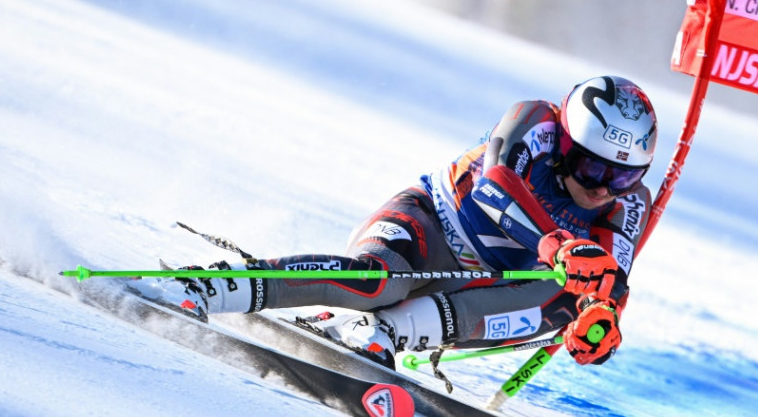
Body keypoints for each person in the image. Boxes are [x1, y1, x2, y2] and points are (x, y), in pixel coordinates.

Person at [138, 75, 657, 369]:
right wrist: (556, 244)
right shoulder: (535, 121)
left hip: (483, 285)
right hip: (430, 224)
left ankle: (384, 333)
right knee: (376, 281)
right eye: (592, 167)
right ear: (566, 141)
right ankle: (207, 285)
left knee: (562, 302)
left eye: (623, 175)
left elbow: (611, 282)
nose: (602, 187)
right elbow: (495, 187)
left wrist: (599, 323)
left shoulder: (627, 203)